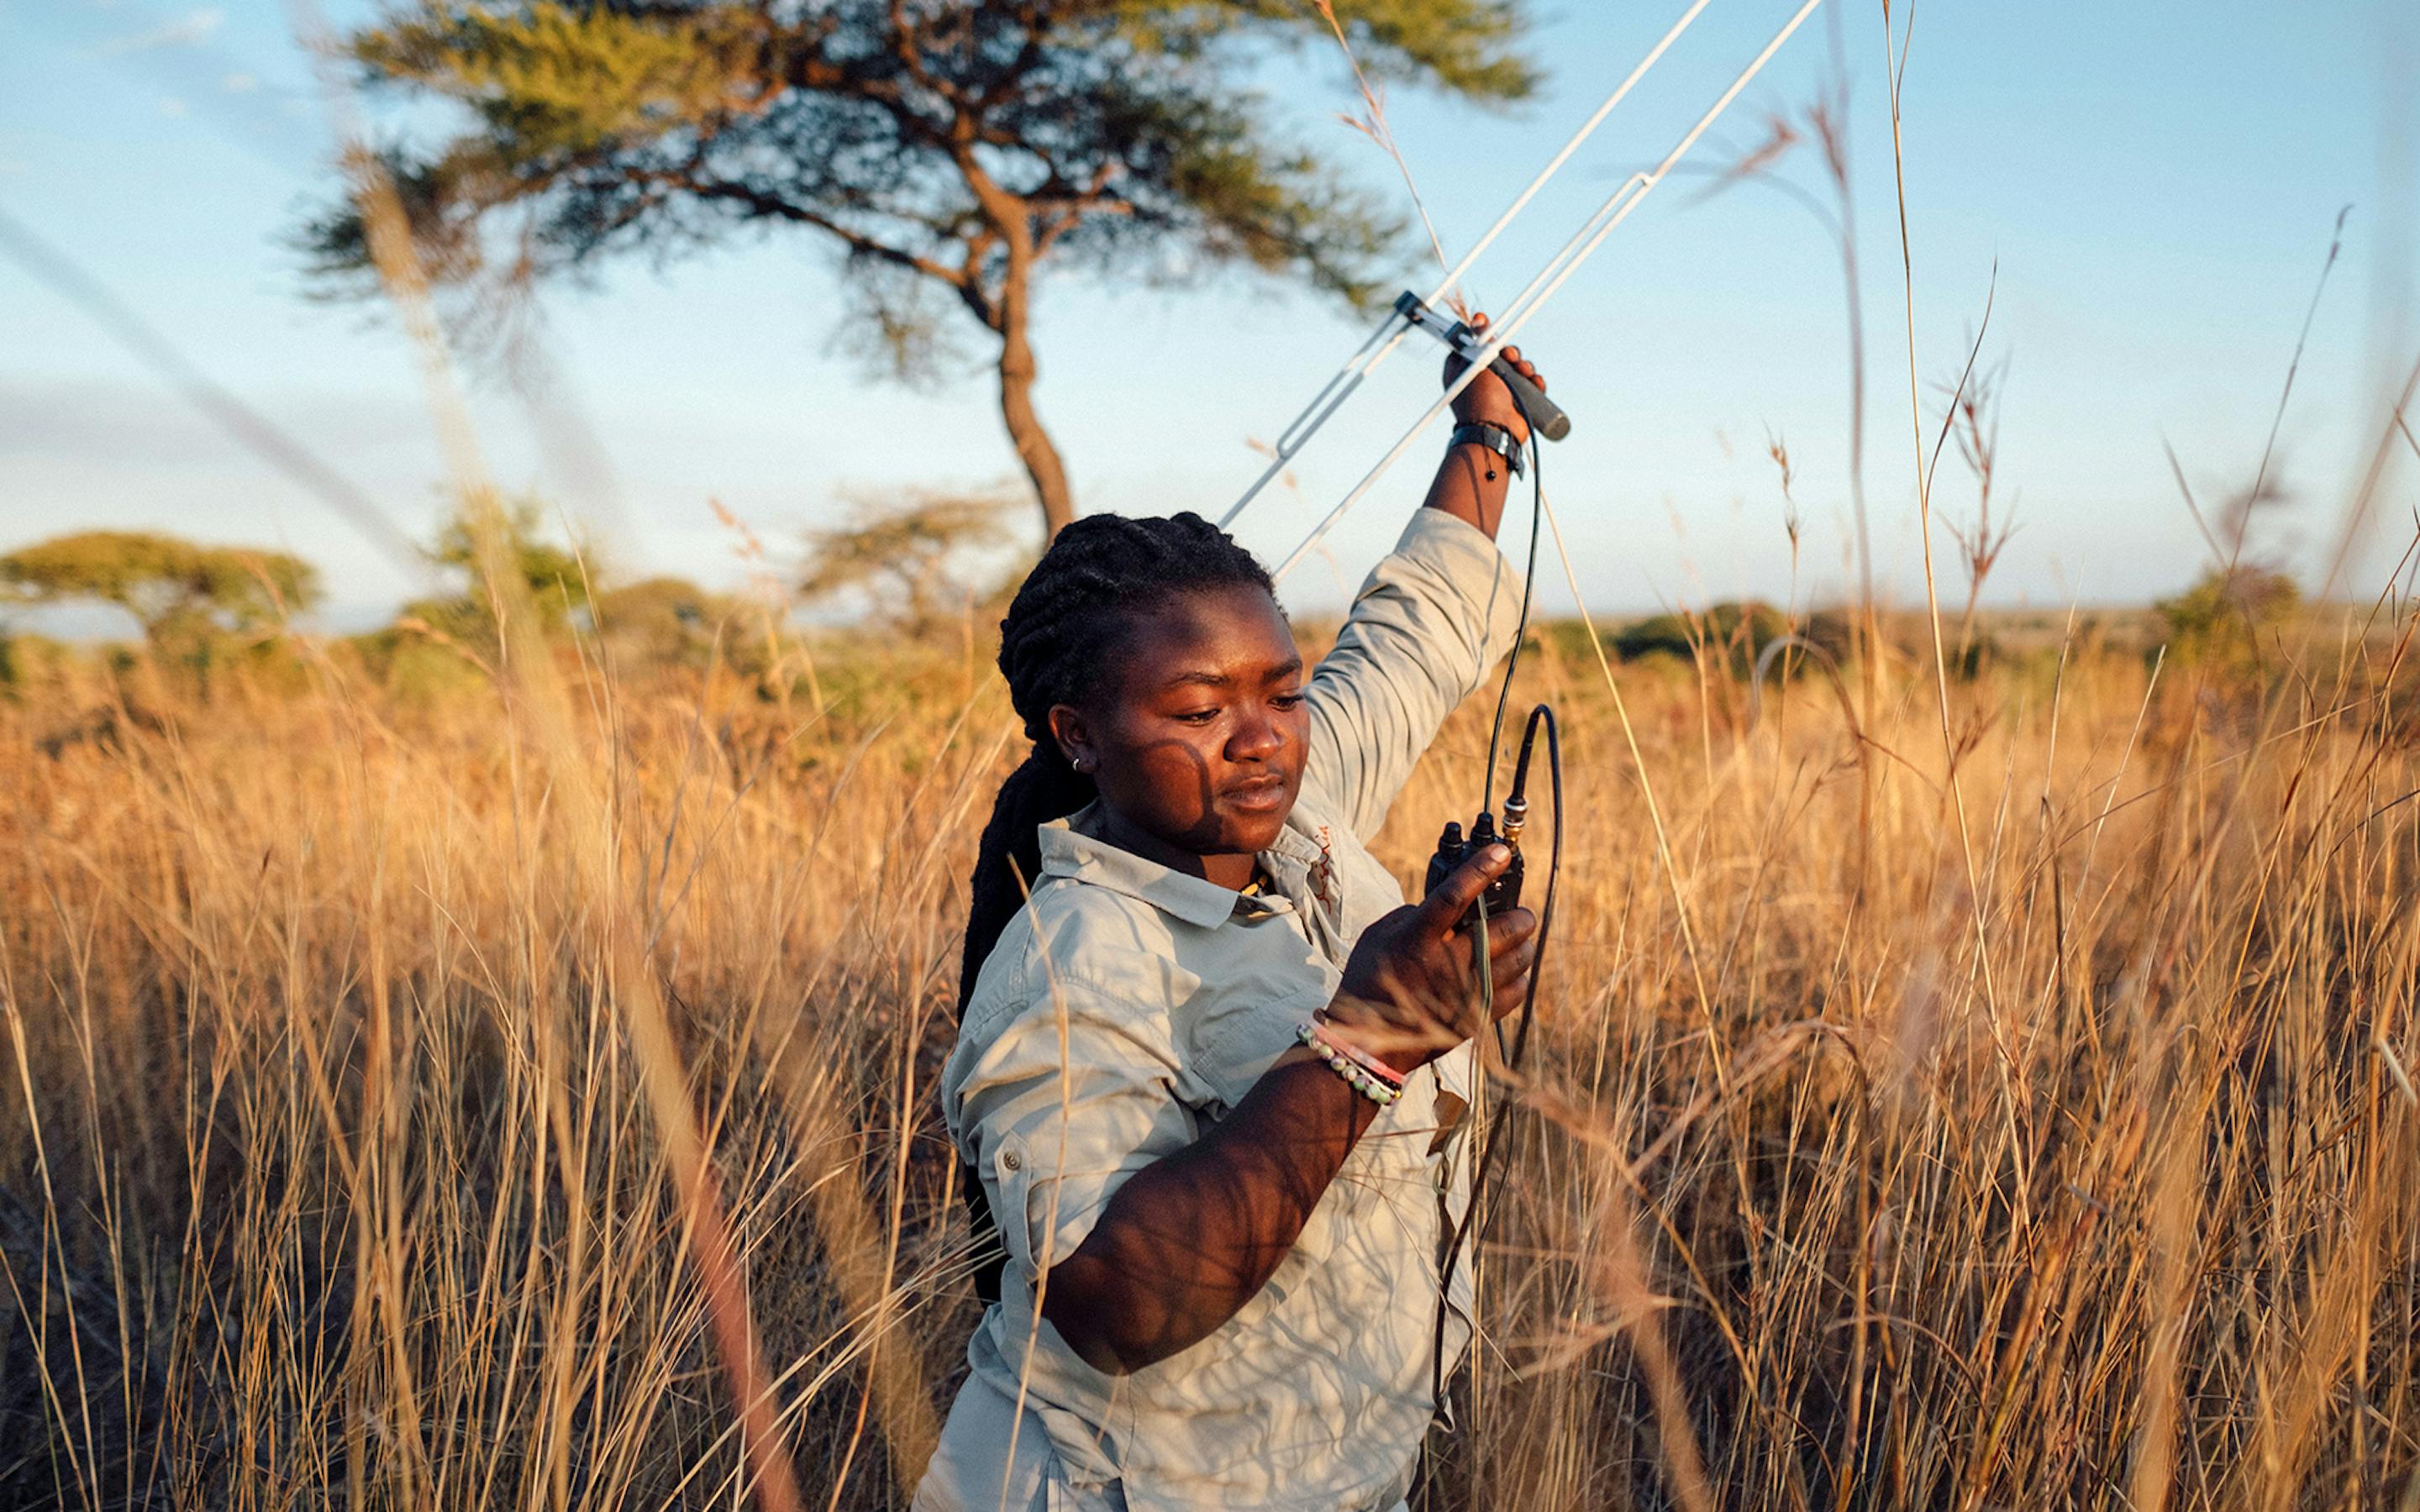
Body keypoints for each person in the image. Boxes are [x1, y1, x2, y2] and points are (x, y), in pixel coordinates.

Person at [915, 325, 1550, 1512]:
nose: (1261, 736)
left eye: (1282, 688)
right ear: (1079, 736)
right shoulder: (1070, 964)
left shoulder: (1287, 813)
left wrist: (1485, 433)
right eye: (1201, 709)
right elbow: (1114, 1305)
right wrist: (1375, 1036)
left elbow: (1417, 630)